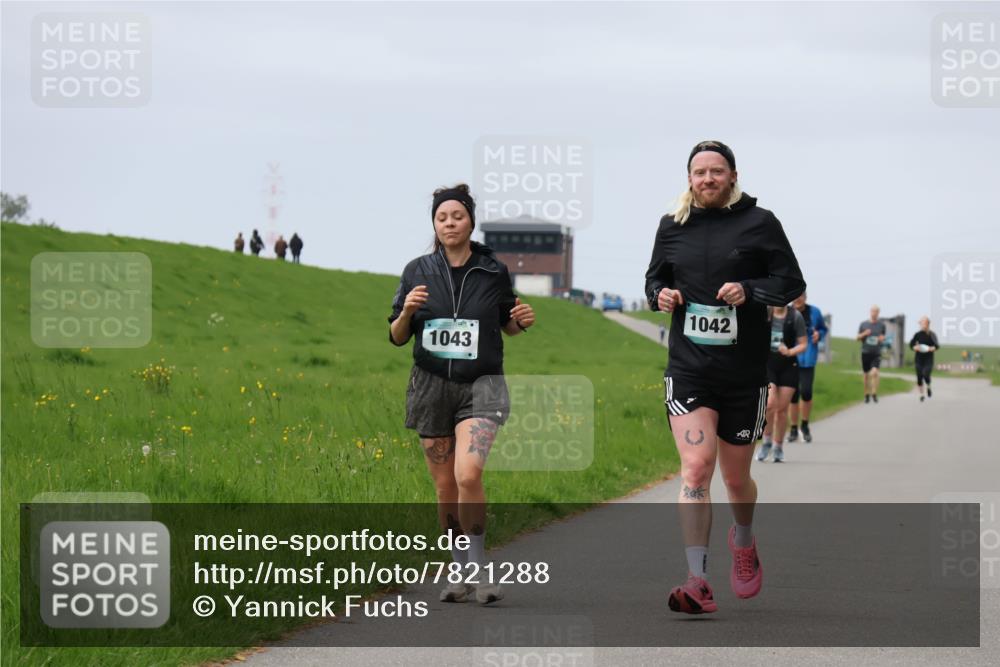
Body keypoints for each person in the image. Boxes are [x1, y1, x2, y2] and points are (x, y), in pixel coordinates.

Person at [644, 140, 805, 614]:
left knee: (736, 480)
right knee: (696, 468)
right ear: (689, 179)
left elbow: (791, 282)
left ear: (733, 176)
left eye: (717, 171)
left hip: (744, 375)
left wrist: (750, 289)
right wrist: (663, 296)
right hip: (690, 370)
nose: (708, 179)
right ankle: (697, 579)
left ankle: (745, 540)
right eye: (699, 172)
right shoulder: (672, 226)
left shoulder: (760, 223)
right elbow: (653, 280)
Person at [388, 183, 535, 605]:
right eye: (442, 217)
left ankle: (481, 571)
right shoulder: (417, 270)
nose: (450, 223)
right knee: (444, 487)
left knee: (467, 475)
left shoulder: (493, 271)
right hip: (431, 387)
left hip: (482, 386)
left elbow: (507, 322)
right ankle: (459, 569)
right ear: (434, 225)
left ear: (470, 220)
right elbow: (396, 337)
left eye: (457, 216)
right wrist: (408, 312)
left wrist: (521, 320)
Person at [756, 304, 807, 463]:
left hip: (789, 367)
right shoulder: (766, 313)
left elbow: (803, 344)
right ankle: (766, 442)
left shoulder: (795, 316)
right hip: (768, 365)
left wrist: (790, 351)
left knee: (782, 409)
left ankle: (778, 447)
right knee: (769, 404)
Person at [786, 292, 827, 443]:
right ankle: (793, 429)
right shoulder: (786, 311)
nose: (798, 298)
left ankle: (805, 425)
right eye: (795, 296)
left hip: (808, 358)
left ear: (806, 297)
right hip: (790, 359)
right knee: (793, 396)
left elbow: (823, 328)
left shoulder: (815, 312)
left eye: (801, 296)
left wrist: (819, 335)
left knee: (807, 392)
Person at [857, 305, 886, 403]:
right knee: (866, 375)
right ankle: (866, 394)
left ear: (878, 313)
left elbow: (883, 337)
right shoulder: (864, 324)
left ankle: (874, 392)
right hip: (865, 352)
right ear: (870, 312)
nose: (874, 313)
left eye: (876, 311)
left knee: (874, 372)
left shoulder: (881, 325)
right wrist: (864, 334)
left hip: (876, 352)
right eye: (873, 311)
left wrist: (881, 339)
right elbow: (857, 338)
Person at [909, 316, 940, 402]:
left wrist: (931, 348)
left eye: (925, 323)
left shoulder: (931, 334)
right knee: (919, 376)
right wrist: (915, 347)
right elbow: (911, 345)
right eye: (921, 323)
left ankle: (928, 386)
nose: (923, 325)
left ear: (928, 324)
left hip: (928, 359)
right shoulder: (917, 334)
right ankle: (921, 394)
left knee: (926, 374)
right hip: (919, 358)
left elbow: (937, 346)